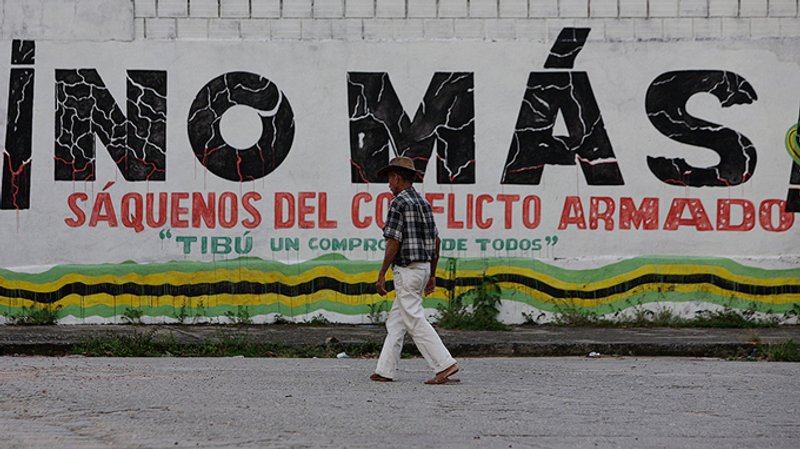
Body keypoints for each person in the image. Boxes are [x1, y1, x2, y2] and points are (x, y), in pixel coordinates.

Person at [370, 156, 460, 385]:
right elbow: (436, 241)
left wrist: (381, 274)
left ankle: (444, 364)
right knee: (397, 321)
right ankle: (385, 370)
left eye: (390, 179)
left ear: (397, 178)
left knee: (414, 319)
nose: (389, 184)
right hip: (422, 270)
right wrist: (432, 274)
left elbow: (393, 241)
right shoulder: (423, 203)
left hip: (407, 270)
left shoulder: (398, 203)